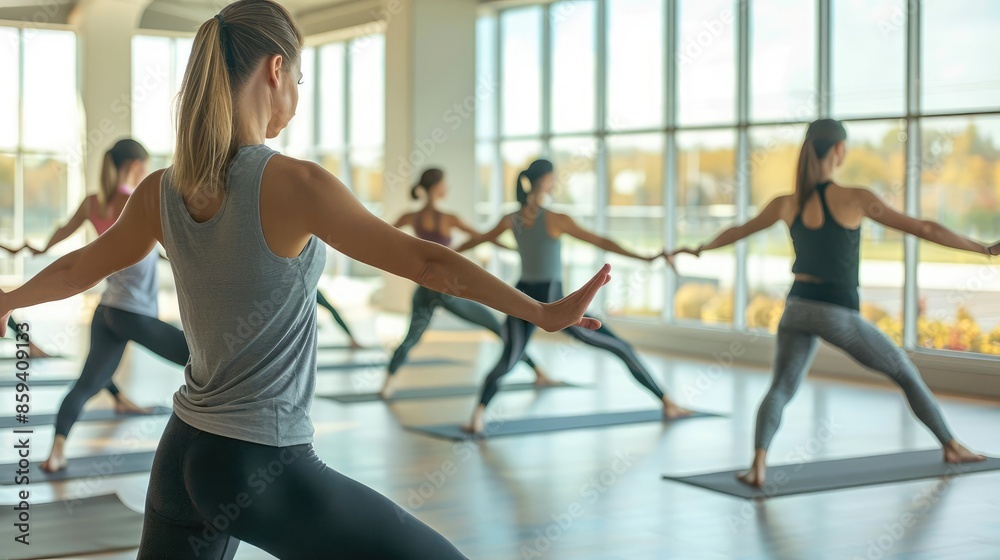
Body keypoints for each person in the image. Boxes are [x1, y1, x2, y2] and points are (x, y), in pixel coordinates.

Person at [0, 1, 611, 557]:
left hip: (185, 451)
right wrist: (540, 312)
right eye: (299, 77)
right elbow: (428, 263)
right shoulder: (294, 183)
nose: (298, 93)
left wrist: (9, 298)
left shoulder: (164, 188)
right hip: (259, 460)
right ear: (274, 69)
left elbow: (82, 267)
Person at [669, 118, 991, 488]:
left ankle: (757, 465)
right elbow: (925, 229)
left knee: (780, 388)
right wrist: (982, 249)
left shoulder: (786, 203)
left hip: (797, 308)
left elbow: (738, 231)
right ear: (838, 150)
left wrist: (697, 249)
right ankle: (951, 445)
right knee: (902, 370)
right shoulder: (855, 197)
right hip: (835, 312)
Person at [456, 159, 690, 434]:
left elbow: (478, 239)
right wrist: (646, 257)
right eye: (553, 179)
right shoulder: (555, 219)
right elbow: (600, 241)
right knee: (621, 347)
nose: (555, 183)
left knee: (508, 358)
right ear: (544, 181)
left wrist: (443, 252)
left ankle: (477, 417)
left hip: (523, 297)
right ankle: (668, 403)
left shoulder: (512, 218)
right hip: (556, 303)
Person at [26, 139, 190, 473]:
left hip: (107, 313)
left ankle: (57, 451)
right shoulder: (137, 202)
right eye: (144, 166)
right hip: (133, 314)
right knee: (200, 359)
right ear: (134, 166)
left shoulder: (94, 203)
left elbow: (63, 230)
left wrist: (42, 250)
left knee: (88, 383)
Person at [381, 167, 552, 398]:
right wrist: (516, 248)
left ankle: (387, 385)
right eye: (445, 184)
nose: (447, 188)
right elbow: (483, 237)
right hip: (446, 290)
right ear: (437, 187)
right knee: (497, 326)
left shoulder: (411, 217)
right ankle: (538, 371)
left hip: (424, 289)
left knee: (411, 338)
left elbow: (384, 237)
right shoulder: (448, 219)